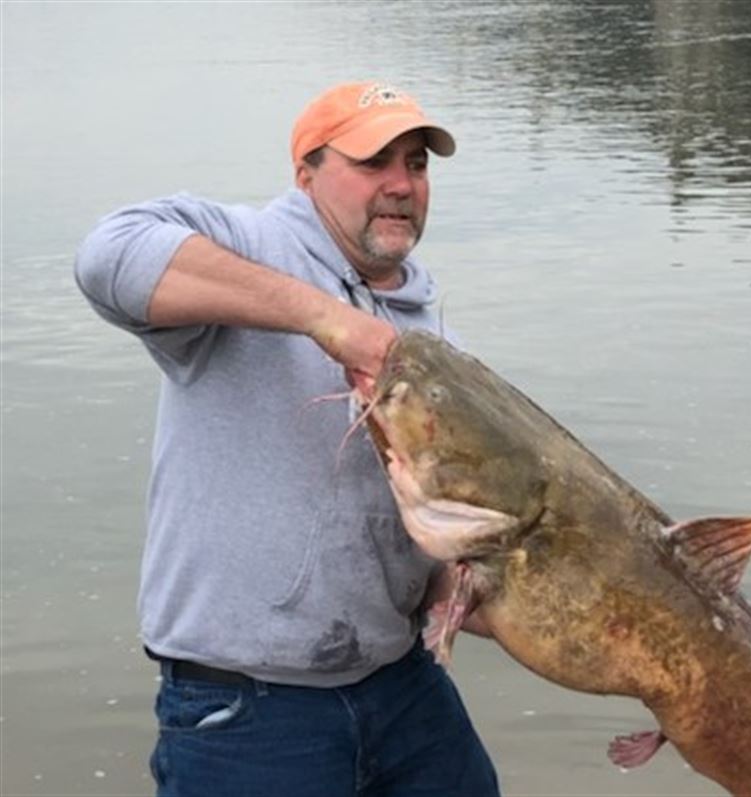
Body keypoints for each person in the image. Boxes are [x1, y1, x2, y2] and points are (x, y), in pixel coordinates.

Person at [74, 80, 500, 797]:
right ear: (306, 172)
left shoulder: (434, 341)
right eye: (373, 162)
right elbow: (108, 256)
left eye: (416, 164)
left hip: (402, 686)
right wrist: (327, 319)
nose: (401, 185)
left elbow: (435, 532)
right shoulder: (246, 245)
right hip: (246, 710)